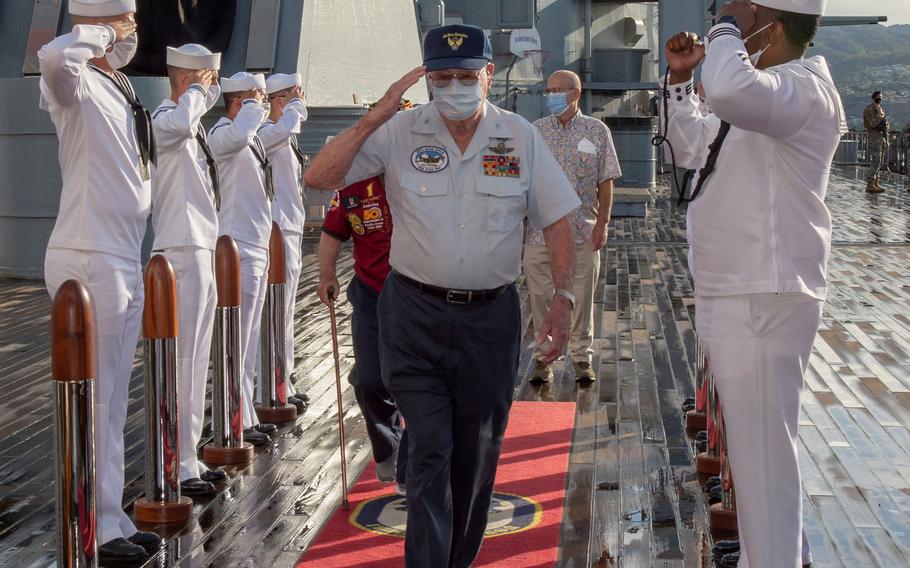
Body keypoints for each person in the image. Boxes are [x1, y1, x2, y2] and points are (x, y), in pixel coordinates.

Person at [305, 24, 580, 568]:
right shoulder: (399, 131)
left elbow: (559, 218)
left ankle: (456, 559)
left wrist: (563, 298)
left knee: (476, 456)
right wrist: (377, 114)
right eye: (442, 76)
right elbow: (320, 176)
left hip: (490, 319)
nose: (454, 86)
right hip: (414, 314)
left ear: (488, 74)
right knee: (430, 446)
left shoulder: (519, 135)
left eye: (464, 75)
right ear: (426, 78)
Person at [663, 1, 845, 567]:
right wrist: (679, 82)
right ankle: (781, 554)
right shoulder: (768, 92)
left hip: (761, 294)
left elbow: (733, 93)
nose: (727, 19)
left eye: (738, 12)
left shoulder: (799, 88)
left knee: (763, 462)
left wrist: (723, 33)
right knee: (759, 457)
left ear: (768, 19)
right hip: (741, 290)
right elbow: (693, 146)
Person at [37, 0, 161, 563]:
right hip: (89, 254)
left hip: (121, 252)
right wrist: (96, 32)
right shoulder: (76, 79)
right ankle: (93, 527)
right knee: (96, 401)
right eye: (125, 23)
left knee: (111, 401)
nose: (133, 32)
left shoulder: (118, 87)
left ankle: (109, 517)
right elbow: (54, 56)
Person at [150, 43, 227, 497]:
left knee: (197, 359)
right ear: (186, 80)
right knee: (181, 362)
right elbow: (178, 125)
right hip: (179, 247)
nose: (212, 89)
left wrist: (199, 95)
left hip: (200, 243)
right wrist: (194, 93)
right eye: (208, 80)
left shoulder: (188, 124)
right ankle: (173, 463)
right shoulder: (166, 118)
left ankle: (188, 455)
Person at [318, 171, 409, 494]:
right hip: (370, 292)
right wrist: (326, 274)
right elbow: (332, 231)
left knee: (415, 382)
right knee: (369, 379)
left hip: (418, 295)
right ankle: (388, 448)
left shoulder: (419, 173)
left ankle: (413, 463)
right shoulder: (352, 185)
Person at [526, 69, 620, 383]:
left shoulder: (597, 131)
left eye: (557, 90)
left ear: (575, 94)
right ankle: (543, 358)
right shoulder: (535, 131)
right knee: (540, 296)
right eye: (548, 90)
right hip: (540, 233)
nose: (551, 95)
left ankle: (582, 357)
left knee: (581, 296)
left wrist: (603, 223)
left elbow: (606, 182)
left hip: (583, 229)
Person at [208, 71, 277, 446]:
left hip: (256, 244)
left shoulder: (249, 139)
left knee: (248, 338)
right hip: (235, 247)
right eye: (258, 98)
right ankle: (231, 417)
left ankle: (244, 412)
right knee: (234, 339)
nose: (264, 105)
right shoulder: (223, 134)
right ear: (238, 103)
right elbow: (235, 136)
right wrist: (251, 104)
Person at [259, 72, 310, 412]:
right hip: (276, 231)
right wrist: (294, 108)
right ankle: (270, 384)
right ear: (279, 100)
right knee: (274, 312)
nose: (301, 100)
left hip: (290, 228)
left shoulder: (283, 135)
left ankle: (283, 379)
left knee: (286, 312)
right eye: (294, 96)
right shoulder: (265, 132)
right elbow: (279, 131)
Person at [863, 90, 888, 193]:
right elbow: (873, 124)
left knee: (879, 162)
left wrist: (886, 139)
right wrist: (878, 114)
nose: (880, 99)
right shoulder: (869, 110)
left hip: (880, 138)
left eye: (881, 97)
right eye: (878, 97)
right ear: (874, 98)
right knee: (876, 161)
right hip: (874, 138)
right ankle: (869, 184)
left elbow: (884, 125)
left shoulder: (879, 109)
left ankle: (875, 183)